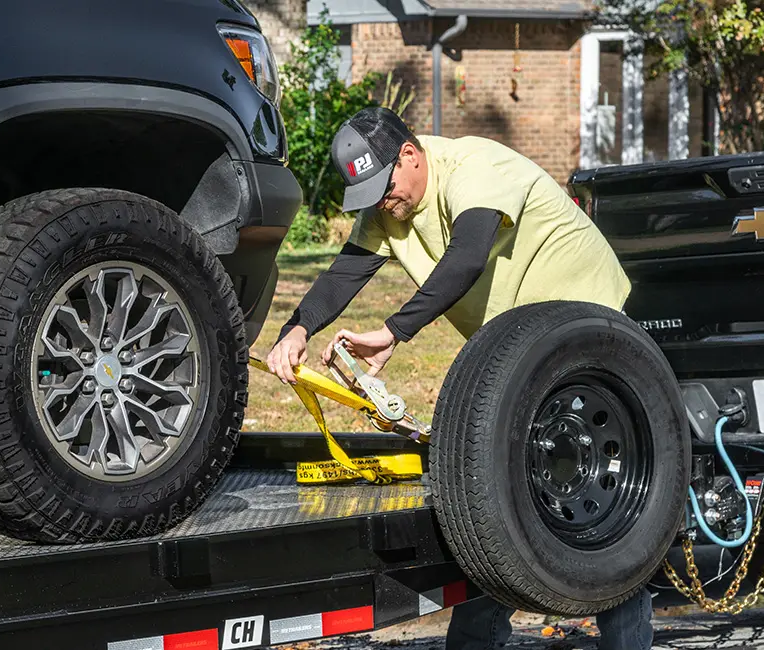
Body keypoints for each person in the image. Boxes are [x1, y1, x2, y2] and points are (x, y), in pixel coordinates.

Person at [263, 105, 654, 649]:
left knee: (605, 510)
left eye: (385, 186)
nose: (382, 203)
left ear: (410, 154)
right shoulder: (387, 207)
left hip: (590, 334)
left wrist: (393, 331)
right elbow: (346, 271)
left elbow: (466, 257)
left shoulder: (475, 167)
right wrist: (297, 328)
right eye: (370, 195)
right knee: (499, 500)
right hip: (520, 350)